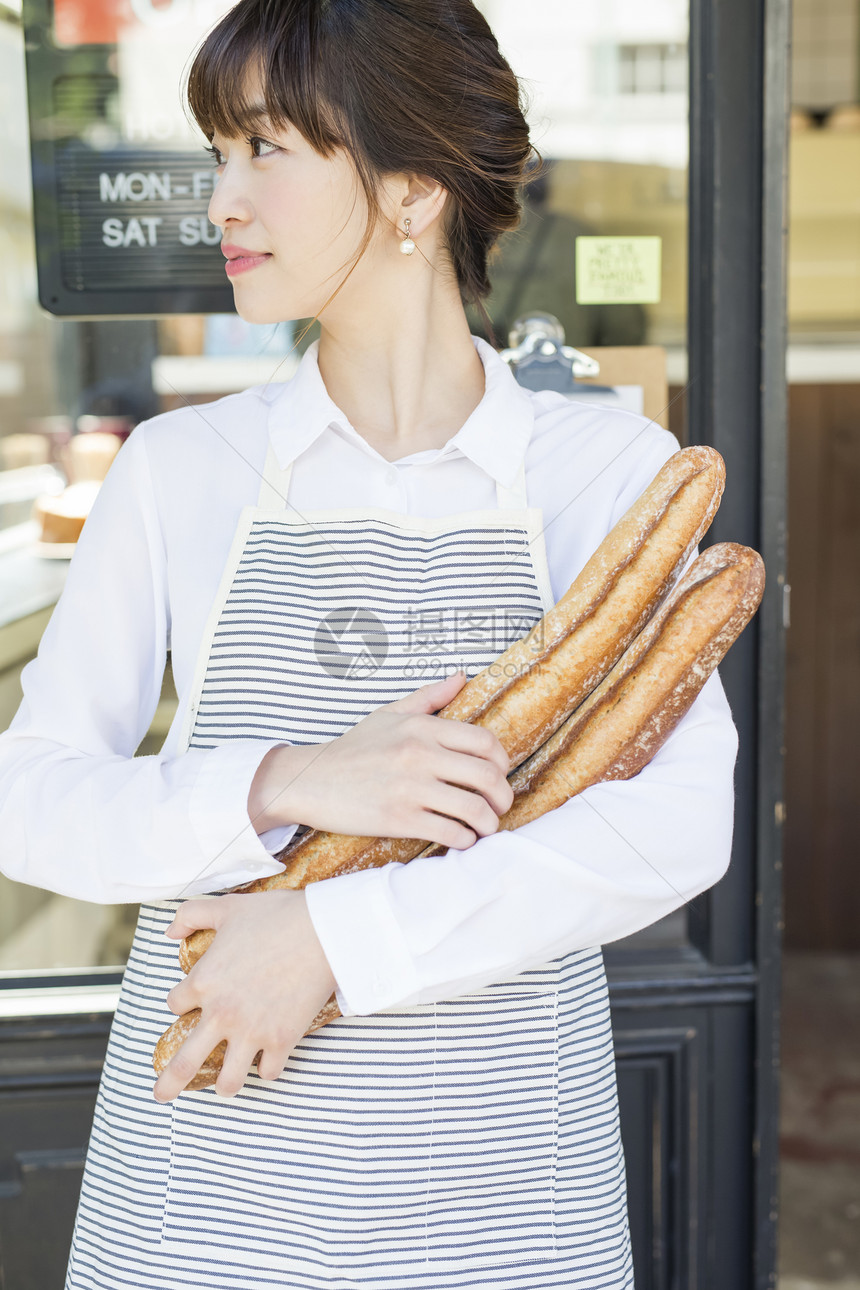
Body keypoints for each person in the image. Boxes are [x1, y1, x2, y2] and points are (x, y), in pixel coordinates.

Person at [0, 1, 738, 1286]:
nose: (223, 198)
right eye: (217, 152)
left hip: (505, 1202)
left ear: (410, 188)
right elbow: (33, 800)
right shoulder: (186, 469)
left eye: (267, 148)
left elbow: (672, 825)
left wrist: (337, 941)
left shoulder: (599, 472)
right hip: (208, 1195)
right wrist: (285, 778)